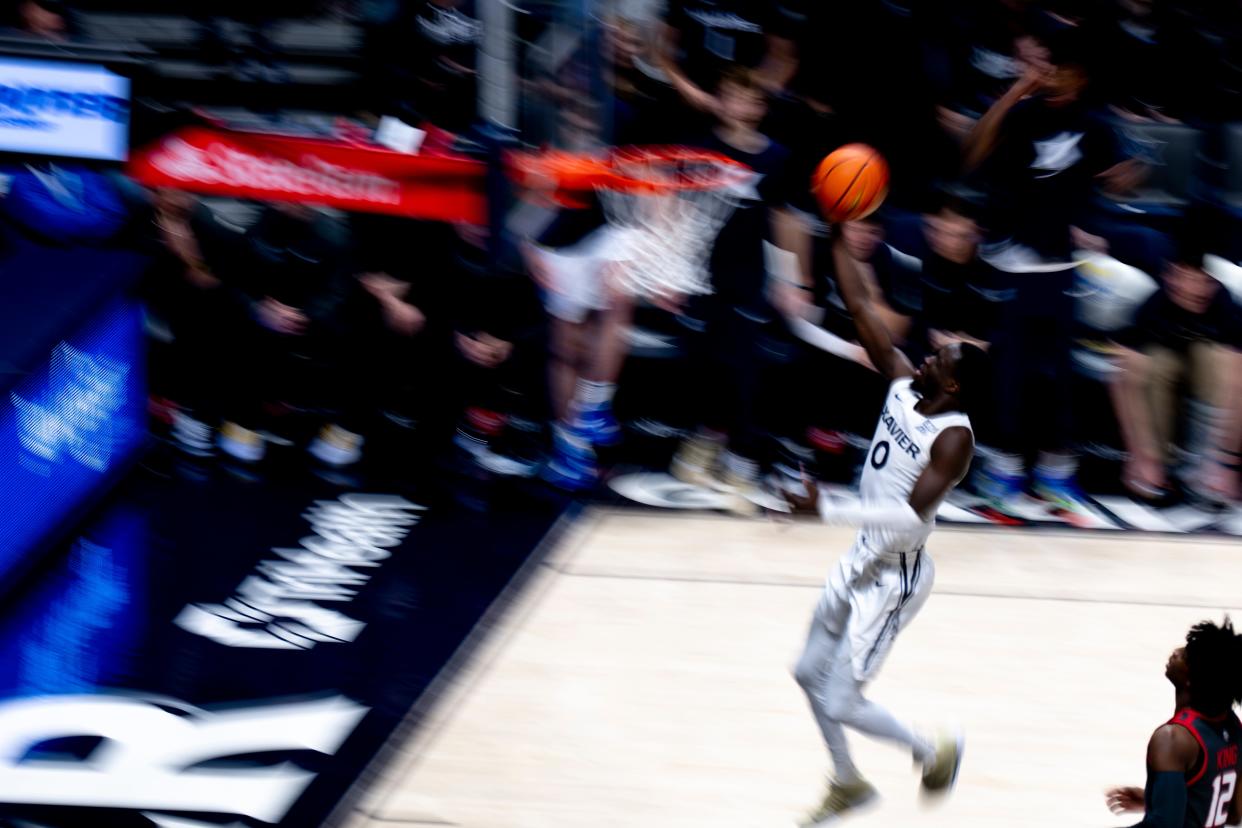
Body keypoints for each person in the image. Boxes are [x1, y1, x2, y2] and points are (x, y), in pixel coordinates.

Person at [782, 233, 985, 825]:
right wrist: (839, 232)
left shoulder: (954, 439)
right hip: (861, 554)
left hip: (895, 577)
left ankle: (932, 750)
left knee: (841, 697)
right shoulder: (902, 383)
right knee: (805, 673)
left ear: (951, 385)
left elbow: (911, 517)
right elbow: (861, 308)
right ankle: (847, 782)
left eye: (938, 360)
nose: (925, 356)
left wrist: (827, 509)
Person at [667, 66, 806, 513]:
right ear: (719, 99)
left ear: (762, 108)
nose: (740, 106)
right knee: (704, 367)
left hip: (748, 279)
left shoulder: (776, 158)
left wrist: (791, 280)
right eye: (731, 95)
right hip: (699, 275)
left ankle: (741, 469)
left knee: (744, 370)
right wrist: (668, 270)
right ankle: (700, 450)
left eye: (751, 99)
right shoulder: (698, 149)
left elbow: (785, 219)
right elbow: (675, 212)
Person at [1109, 248, 1242, 502]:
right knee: (1156, 365)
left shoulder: (1227, 306)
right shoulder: (1152, 304)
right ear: (1171, 276)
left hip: (1210, 388)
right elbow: (1121, 379)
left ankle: (1202, 467)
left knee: (1218, 359)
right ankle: (1160, 466)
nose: (1198, 290)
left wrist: (1226, 463)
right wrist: (1140, 455)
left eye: (1206, 281)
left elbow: (1239, 384)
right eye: (1189, 279)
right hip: (1165, 381)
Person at [1106, 618, 1242, 828]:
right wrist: (1153, 800)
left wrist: (1161, 811)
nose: (1177, 652)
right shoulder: (1233, 727)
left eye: (1186, 654)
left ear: (1192, 678)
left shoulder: (1173, 739)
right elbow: (1233, 814)